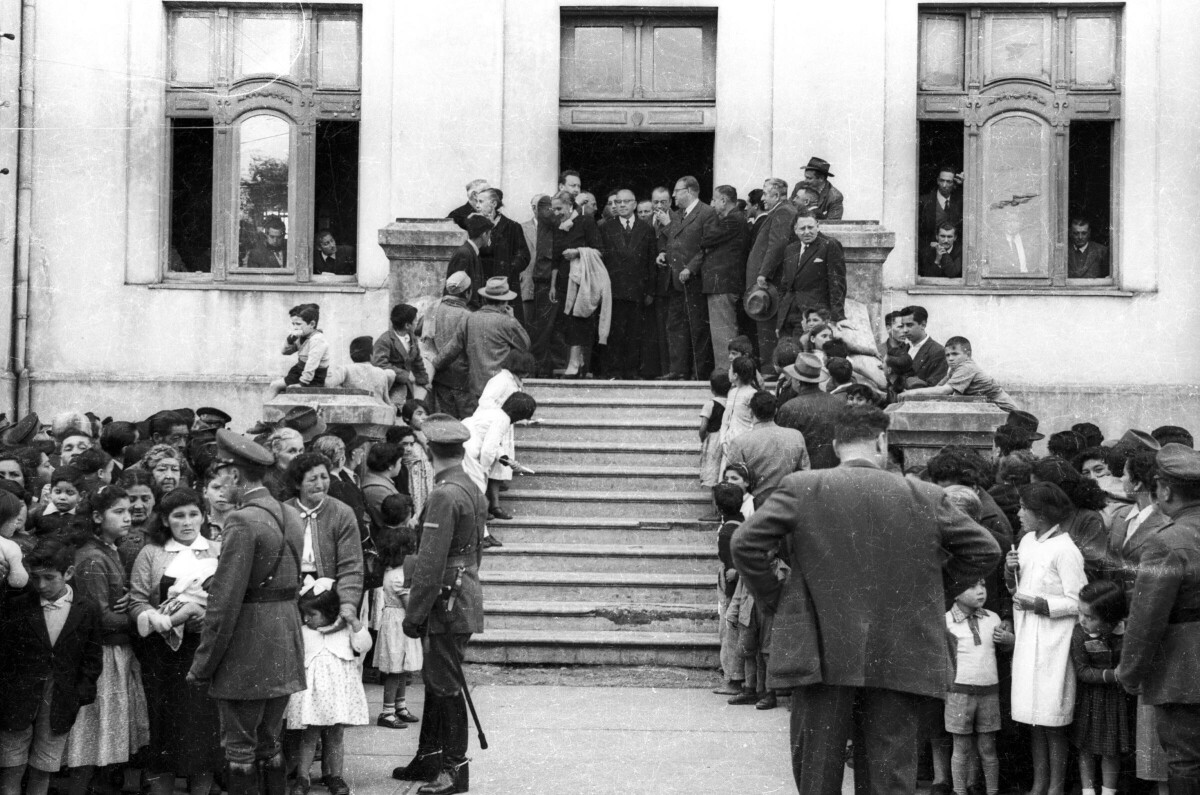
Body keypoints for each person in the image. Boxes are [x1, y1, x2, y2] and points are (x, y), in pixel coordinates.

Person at [731, 406, 1000, 793]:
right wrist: (930, 595)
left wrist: (779, 600)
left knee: (817, 770)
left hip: (821, 647)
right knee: (889, 775)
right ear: (882, 442)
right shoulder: (926, 495)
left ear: (835, 445)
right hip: (898, 648)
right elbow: (985, 550)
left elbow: (744, 544)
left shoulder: (802, 487)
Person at [187, 430, 305, 795]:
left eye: (224, 476)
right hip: (285, 640)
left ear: (236, 475)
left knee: (239, 747)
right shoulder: (291, 513)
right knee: (269, 741)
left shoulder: (242, 520)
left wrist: (203, 664)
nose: (222, 486)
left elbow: (224, 604)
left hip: (247, 648)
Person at [393, 415, 488, 793]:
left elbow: (430, 563)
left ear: (430, 451)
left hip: (445, 600)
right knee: (438, 680)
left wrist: (414, 613)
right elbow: (475, 552)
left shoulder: (444, 495)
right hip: (460, 592)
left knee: (445, 685)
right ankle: (429, 756)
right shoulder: (471, 487)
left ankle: (454, 769)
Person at [128, 487, 223, 795]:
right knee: (164, 725)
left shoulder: (217, 550)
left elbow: (230, 599)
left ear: (204, 517)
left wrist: (205, 619)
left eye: (193, 514)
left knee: (203, 726)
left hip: (204, 651)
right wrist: (155, 617)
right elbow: (137, 600)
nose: (187, 522)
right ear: (165, 520)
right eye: (178, 516)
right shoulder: (151, 553)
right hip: (162, 653)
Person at [1116, 444, 1200, 791]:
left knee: (1185, 761)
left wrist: (1130, 671)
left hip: (1185, 671)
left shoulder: (1166, 542)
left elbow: (1146, 618)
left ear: (1165, 490)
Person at [63, 486, 150, 794]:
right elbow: (99, 618)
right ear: (98, 517)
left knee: (105, 738)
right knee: (91, 737)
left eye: (128, 511)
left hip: (116, 653)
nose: (128, 517)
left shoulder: (110, 550)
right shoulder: (92, 558)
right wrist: (142, 614)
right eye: (119, 511)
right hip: (102, 656)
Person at [0, 540, 103, 795]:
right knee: (11, 766)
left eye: (49, 578)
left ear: (68, 573)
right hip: (17, 698)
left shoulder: (87, 608)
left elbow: (92, 658)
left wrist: (78, 696)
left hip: (60, 698)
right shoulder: (18, 604)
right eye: (35, 578)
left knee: (43, 768)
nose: (41, 585)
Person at [1005, 481, 1087, 795]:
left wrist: (1040, 605)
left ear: (1041, 514)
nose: (1019, 513)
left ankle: (1055, 787)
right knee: (1034, 720)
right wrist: (1010, 573)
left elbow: (1079, 601)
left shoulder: (1066, 550)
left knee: (1053, 720)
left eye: (1024, 508)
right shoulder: (1026, 541)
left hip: (1054, 643)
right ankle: (1039, 785)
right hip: (1029, 639)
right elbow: (1018, 589)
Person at [284, 580, 371, 795]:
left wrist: (354, 622)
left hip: (337, 695)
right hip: (313, 695)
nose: (307, 619)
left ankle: (335, 776)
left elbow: (364, 645)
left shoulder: (345, 630)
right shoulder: (304, 632)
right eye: (305, 614)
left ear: (329, 611)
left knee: (336, 736)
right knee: (309, 736)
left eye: (312, 614)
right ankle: (303, 777)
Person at [945, 578, 1013, 795]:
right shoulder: (946, 621)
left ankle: (992, 791)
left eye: (983, 585)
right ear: (956, 592)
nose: (980, 591)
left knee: (988, 748)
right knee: (961, 748)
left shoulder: (993, 618)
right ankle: (959, 791)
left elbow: (1005, 649)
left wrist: (1009, 641)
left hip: (989, 693)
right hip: (958, 695)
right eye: (972, 586)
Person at [284, 453, 365, 628]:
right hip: (290, 597)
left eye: (324, 477)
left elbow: (351, 566)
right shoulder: (283, 512)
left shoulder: (342, 513)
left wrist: (347, 605)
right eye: (312, 479)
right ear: (297, 483)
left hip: (329, 598)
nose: (320, 485)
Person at [1072, 580, 1134, 795]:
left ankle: (1109, 792)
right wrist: (1112, 675)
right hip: (1090, 699)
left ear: (1110, 619)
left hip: (1117, 700)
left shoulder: (1126, 633)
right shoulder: (1080, 634)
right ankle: (1088, 791)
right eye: (1080, 612)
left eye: (1090, 617)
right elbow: (1082, 670)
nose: (1082, 620)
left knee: (1111, 749)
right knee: (1085, 747)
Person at [658, 176, 716, 382]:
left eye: (677, 191)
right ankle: (678, 370)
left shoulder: (707, 213)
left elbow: (707, 246)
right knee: (675, 326)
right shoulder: (679, 214)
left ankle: (698, 373)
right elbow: (675, 240)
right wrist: (663, 253)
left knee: (697, 327)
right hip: (675, 279)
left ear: (689, 191)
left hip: (694, 280)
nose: (673, 195)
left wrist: (691, 268)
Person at [597, 188, 656, 380]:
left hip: (638, 290)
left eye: (626, 201)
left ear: (634, 204)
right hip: (613, 290)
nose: (621, 205)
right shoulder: (605, 227)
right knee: (615, 332)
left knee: (635, 332)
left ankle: (632, 371)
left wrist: (650, 291)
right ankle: (614, 371)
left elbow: (651, 261)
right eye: (618, 202)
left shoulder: (646, 228)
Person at [373, 503, 422, 730]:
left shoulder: (393, 571)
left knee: (403, 666)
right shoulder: (398, 576)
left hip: (396, 621)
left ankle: (400, 706)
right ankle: (387, 711)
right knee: (395, 669)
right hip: (398, 622)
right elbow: (408, 604)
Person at [547, 189, 604, 377]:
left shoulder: (586, 221)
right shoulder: (559, 226)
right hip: (563, 282)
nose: (556, 213)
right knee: (567, 322)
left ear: (570, 205)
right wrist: (553, 285)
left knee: (577, 321)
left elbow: (599, 250)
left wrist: (578, 252)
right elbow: (556, 258)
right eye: (554, 209)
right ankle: (577, 361)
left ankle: (573, 363)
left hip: (581, 281)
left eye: (559, 208)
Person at [746, 178, 799, 376]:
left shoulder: (783, 211)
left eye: (766, 194)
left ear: (776, 195)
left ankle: (771, 369)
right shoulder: (781, 211)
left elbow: (777, 244)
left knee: (768, 324)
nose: (763, 199)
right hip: (770, 281)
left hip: (771, 282)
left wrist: (763, 273)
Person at [723, 391, 810, 501]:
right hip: (787, 502)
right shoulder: (796, 436)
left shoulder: (739, 442)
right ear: (776, 411)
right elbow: (805, 475)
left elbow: (732, 482)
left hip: (754, 504)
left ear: (750, 412)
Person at [462, 392, 536, 522]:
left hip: (465, 444)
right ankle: (478, 526)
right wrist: (483, 470)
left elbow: (494, 443)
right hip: (470, 449)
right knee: (477, 489)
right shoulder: (503, 420)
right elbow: (488, 450)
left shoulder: (496, 413)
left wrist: (506, 460)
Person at [775, 209, 847, 338]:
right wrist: (780, 317)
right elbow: (785, 284)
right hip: (788, 314)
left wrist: (838, 317)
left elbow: (837, 283)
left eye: (810, 227)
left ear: (818, 227)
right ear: (795, 230)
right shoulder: (790, 249)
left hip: (812, 315)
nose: (807, 232)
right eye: (802, 228)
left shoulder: (829, 245)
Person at [903, 335, 1018, 411]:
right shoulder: (954, 369)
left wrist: (910, 393)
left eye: (955, 354)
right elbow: (939, 387)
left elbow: (944, 391)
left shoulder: (966, 367)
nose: (950, 358)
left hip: (1007, 413)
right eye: (947, 355)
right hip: (991, 409)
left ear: (968, 355)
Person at [701, 185, 748, 367]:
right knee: (723, 331)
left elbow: (705, 238)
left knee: (723, 333)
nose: (712, 204)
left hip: (722, 284)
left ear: (723, 200)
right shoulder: (735, 218)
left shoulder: (733, 219)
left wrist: (711, 216)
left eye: (714, 200)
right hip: (723, 283)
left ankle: (726, 371)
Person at [775, 352, 843, 469]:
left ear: (797, 382)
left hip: (806, 472)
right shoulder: (838, 402)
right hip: (836, 470)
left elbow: (783, 448)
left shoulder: (790, 408)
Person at [474, 188, 530, 326]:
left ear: (493, 204)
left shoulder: (512, 227)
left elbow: (524, 255)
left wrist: (509, 269)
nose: (477, 205)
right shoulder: (475, 227)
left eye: (481, 201)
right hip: (482, 286)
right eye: (477, 202)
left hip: (505, 285)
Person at [424, 272, 475, 418]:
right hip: (462, 380)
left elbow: (420, 332)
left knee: (446, 422)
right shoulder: (467, 315)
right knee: (467, 423)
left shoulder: (433, 308)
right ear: (467, 293)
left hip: (439, 376)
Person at [712, 482, 746, 698]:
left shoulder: (726, 532)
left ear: (719, 507)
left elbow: (729, 564)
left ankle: (732, 679)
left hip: (732, 589)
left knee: (728, 633)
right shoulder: (744, 523)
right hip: (741, 587)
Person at [641, 186, 674, 380]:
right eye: (656, 202)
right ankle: (650, 370)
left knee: (667, 329)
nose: (659, 205)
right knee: (650, 330)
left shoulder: (677, 219)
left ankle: (667, 370)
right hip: (648, 283)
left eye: (663, 202)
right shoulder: (644, 222)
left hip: (668, 283)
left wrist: (668, 225)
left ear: (670, 202)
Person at [269, 303, 330, 397]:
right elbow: (285, 352)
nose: (295, 327)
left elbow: (312, 364)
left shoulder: (317, 339)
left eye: (298, 324)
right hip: (298, 372)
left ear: (312, 324)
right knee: (274, 386)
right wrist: (290, 340)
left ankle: (268, 406)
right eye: (293, 324)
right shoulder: (302, 337)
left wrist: (302, 383)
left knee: (275, 386)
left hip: (313, 377)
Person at [373, 303, 429, 406]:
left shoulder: (412, 338)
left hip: (407, 387)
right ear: (407, 325)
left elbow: (417, 361)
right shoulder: (385, 340)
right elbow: (380, 364)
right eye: (415, 321)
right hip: (390, 389)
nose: (417, 323)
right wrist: (406, 375)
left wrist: (423, 380)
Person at [718, 356, 759, 470]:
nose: (728, 371)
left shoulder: (752, 394)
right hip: (729, 442)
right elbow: (726, 419)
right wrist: (723, 440)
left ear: (735, 375)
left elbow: (754, 421)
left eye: (730, 369)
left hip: (745, 443)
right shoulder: (732, 392)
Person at [895, 305, 949, 390]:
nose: (905, 330)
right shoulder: (902, 349)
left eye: (909, 325)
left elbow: (934, 388)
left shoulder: (938, 351)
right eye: (902, 326)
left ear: (923, 325)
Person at [446, 216, 493, 310]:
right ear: (484, 234)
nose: (489, 238)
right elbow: (455, 289)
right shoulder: (464, 253)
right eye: (489, 234)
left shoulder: (472, 252)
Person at [336, 335, 394, 406]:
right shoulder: (381, 373)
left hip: (355, 408)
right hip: (377, 409)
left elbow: (330, 384)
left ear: (351, 355)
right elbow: (387, 400)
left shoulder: (346, 369)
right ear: (371, 356)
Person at [918, 166, 964, 256]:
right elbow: (918, 233)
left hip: (954, 257)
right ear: (937, 181)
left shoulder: (959, 202)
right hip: (930, 255)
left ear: (953, 183)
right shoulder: (924, 201)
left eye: (948, 182)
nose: (944, 185)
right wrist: (927, 249)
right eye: (942, 180)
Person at [698, 372, 730, 488]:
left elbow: (703, 426)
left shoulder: (710, 404)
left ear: (712, 389)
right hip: (726, 437)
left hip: (713, 438)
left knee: (712, 464)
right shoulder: (730, 402)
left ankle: (713, 487)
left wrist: (702, 437)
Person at [798, 156, 844, 221]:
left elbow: (833, 223)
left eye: (809, 178)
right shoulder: (799, 186)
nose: (805, 181)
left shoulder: (835, 197)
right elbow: (791, 208)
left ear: (821, 178)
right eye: (805, 177)